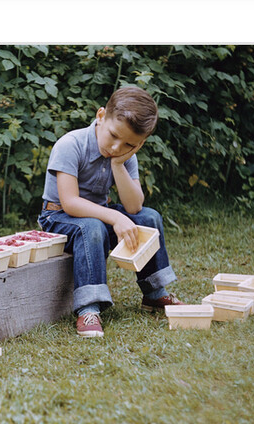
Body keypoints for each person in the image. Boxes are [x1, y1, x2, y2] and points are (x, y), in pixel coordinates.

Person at [38, 85, 185, 338]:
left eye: (129, 143)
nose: (117, 147)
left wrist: (118, 164)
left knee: (149, 217)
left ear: (139, 143)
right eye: (114, 136)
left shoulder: (124, 154)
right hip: (59, 216)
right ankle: (88, 307)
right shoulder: (71, 144)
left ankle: (154, 294)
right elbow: (71, 203)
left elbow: (134, 206)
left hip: (97, 214)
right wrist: (115, 217)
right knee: (93, 226)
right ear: (101, 115)